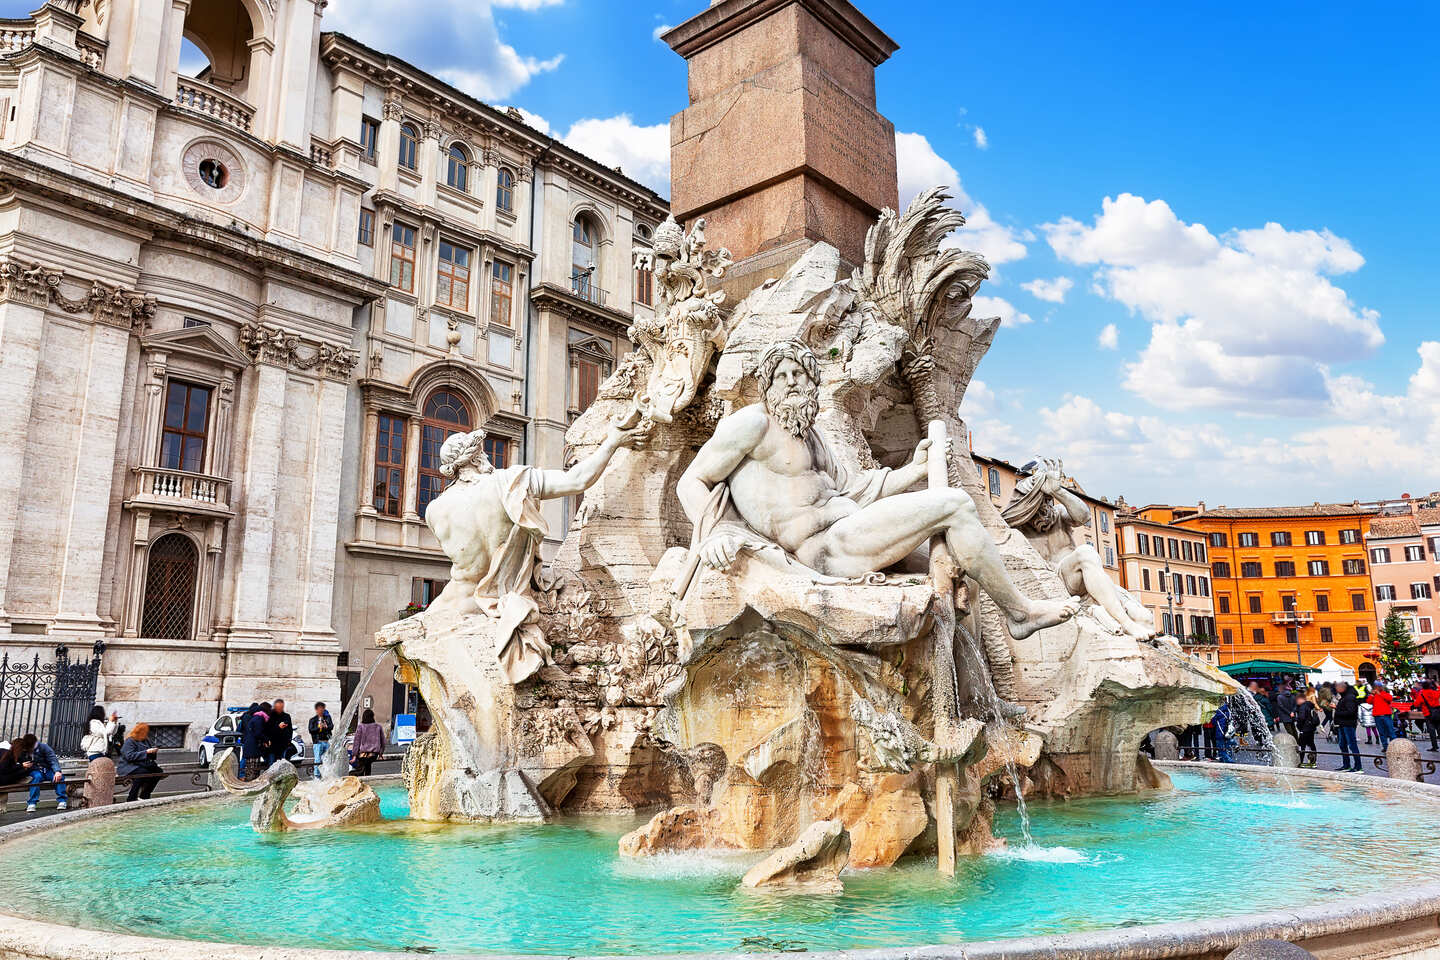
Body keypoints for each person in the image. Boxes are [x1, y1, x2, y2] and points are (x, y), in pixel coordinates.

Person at [117, 723, 163, 802]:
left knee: (158, 771)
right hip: (128, 767)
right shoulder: (130, 741)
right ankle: (131, 798)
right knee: (142, 773)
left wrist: (153, 752)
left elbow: (150, 756)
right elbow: (129, 756)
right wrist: (146, 752)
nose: (147, 733)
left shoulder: (146, 740)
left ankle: (145, 795)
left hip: (142, 765)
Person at [1333, 681, 1361, 772]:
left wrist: (1337, 709)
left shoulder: (1350, 697)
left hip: (1348, 724)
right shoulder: (1344, 697)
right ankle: (1346, 765)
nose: (1336, 690)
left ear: (1343, 688)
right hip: (1342, 724)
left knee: (1352, 745)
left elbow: (1351, 712)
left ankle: (1358, 766)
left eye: (1338, 688)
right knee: (1342, 744)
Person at [349, 708, 386, 776]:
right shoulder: (378, 727)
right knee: (368, 766)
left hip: (362, 755)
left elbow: (356, 742)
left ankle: (352, 776)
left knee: (361, 768)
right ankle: (367, 780)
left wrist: (354, 755)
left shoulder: (361, 726)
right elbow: (383, 741)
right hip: (374, 754)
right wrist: (380, 753)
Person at [240, 702, 269, 780]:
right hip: (253, 746)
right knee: (253, 768)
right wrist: (266, 740)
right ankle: (250, 783)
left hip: (249, 744)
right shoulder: (258, 719)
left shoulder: (254, 718)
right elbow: (258, 733)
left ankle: (246, 779)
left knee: (250, 765)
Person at [1370, 680, 1397, 751]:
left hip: (1386, 715)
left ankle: (1393, 747)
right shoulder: (1374, 695)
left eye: (1378, 686)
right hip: (1377, 716)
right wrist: (1372, 695)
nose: (1376, 688)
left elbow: (1390, 698)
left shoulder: (1385, 693)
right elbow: (1369, 701)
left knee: (1391, 731)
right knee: (1381, 732)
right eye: (1375, 686)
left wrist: (1380, 694)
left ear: (1381, 687)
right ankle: (1385, 747)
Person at [1294, 696, 1320, 768]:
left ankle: (1300, 762)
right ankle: (1313, 762)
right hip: (1311, 729)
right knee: (1311, 745)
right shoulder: (1310, 706)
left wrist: (1299, 727)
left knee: (1302, 746)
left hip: (1304, 729)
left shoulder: (1303, 707)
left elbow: (1301, 718)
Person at [309, 702, 333, 776]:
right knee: (318, 760)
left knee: (327, 760)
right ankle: (317, 775)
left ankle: (326, 775)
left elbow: (331, 726)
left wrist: (326, 726)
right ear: (316, 710)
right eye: (319, 709)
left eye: (322, 709)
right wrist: (319, 727)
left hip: (326, 742)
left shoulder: (327, 718)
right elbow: (311, 730)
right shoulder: (313, 720)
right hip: (318, 742)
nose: (321, 711)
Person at [267, 698, 294, 765]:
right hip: (273, 745)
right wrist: (278, 727)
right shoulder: (270, 716)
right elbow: (268, 730)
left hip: (283, 744)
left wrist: (289, 740)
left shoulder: (286, 716)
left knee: (283, 764)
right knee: (272, 764)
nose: (279, 709)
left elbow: (290, 729)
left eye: (281, 707)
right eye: (278, 707)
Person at [1416, 680, 1440, 752]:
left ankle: (1434, 746)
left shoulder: (1422, 694)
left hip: (1428, 714)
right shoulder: (1434, 692)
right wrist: (1438, 685)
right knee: (1439, 729)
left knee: (1432, 731)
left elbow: (1416, 703)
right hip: (1437, 713)